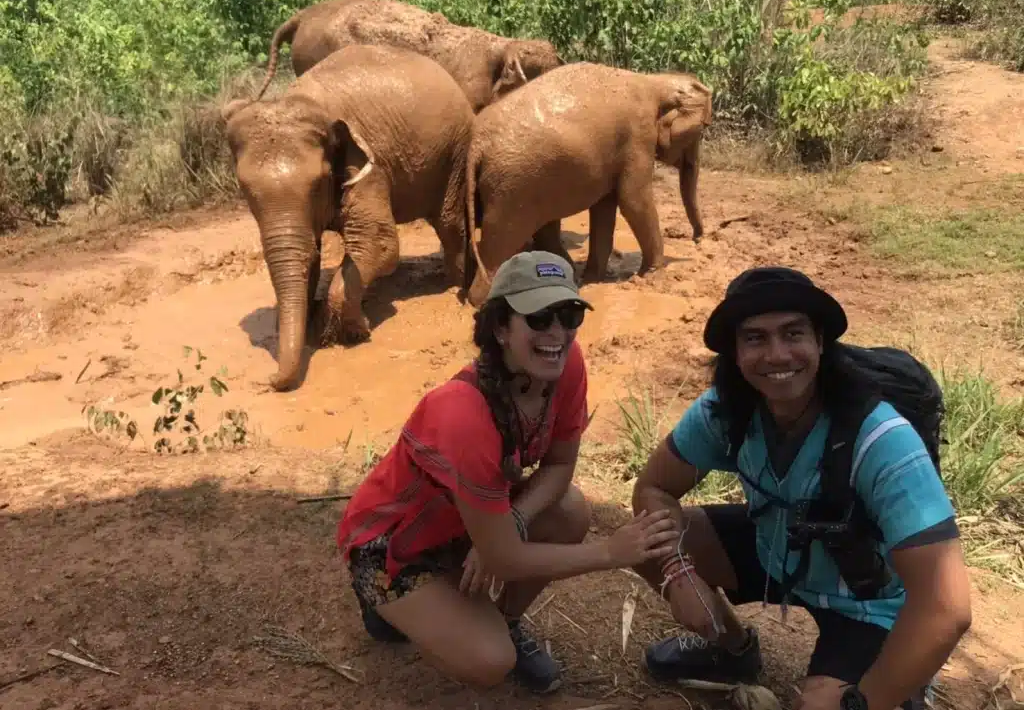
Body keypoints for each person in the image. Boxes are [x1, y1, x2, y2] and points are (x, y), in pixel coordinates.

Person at [337, 250, 681, 695]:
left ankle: (501, 619)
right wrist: (612, 552)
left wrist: (511, 524)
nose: (557, 332)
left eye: (570, 312)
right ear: (501, 327)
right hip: (394, 543)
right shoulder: (462, 412)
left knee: (570, 510)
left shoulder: (566, 365)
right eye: (539, 317)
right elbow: (504, 560)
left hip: (471, 518)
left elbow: (559, 466)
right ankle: (385, 605)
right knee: (491, 661)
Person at [630, 266, 973, 710]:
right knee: (645, 543)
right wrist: (679, 571)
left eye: (793, 333)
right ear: (733, 352)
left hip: (866, 596)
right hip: (779, 544)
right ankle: (731, 651)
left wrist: (863, 704)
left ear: (820, 342)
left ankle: (899, 687)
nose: (776, 355)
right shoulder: (727, 410)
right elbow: (653, 487)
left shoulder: (882, 438)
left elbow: (946, 607)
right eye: (755, 338)